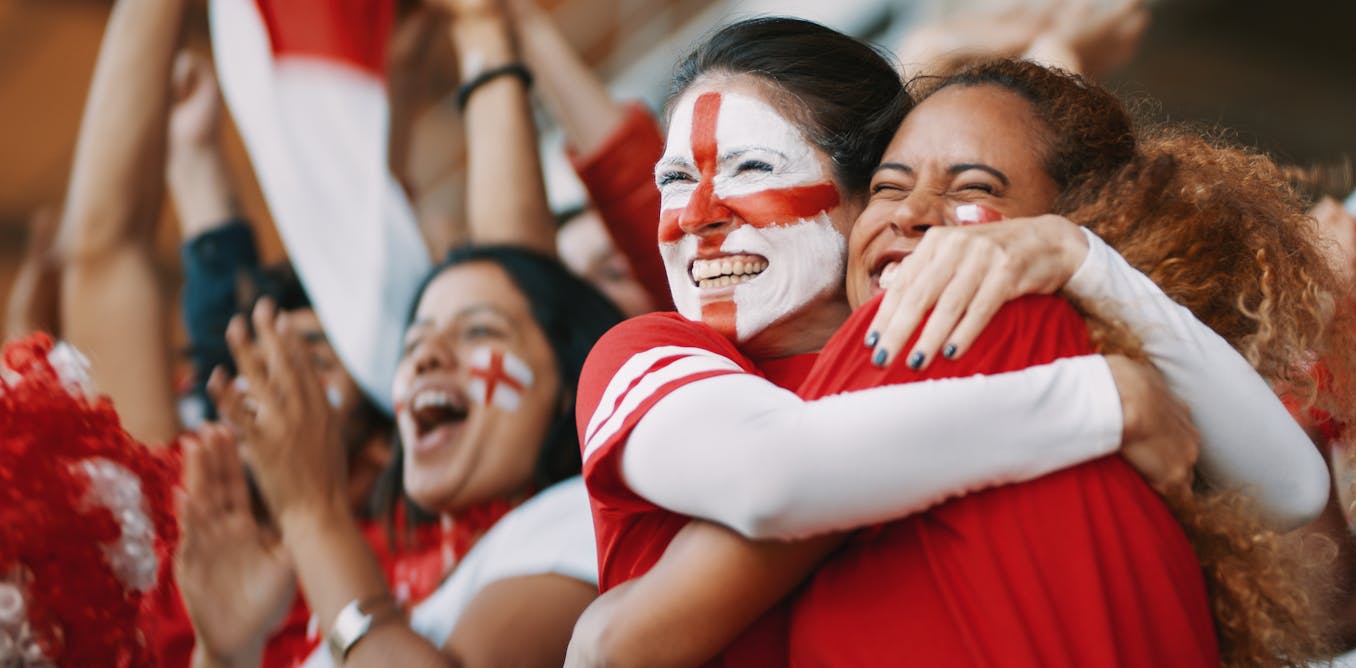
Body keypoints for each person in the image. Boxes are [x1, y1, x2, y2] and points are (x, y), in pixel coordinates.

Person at [566, 18, 1330, 666]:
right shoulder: (649, 351)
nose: (695, 212)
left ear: (852, 202)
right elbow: (774, 476)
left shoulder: (1019, 327)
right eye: (673, 178)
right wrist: (1104, 398)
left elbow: (1292, 492)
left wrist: (1084, 258)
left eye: (754, 166)